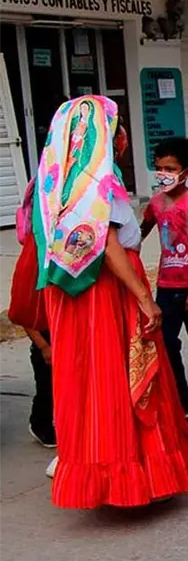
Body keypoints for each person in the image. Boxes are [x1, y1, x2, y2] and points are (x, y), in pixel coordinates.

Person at [34, 96, 188, 508]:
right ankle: (129, 474)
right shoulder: (97, 182)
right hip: (108, 292)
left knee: (93, 381)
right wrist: (145, 298)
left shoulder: (59, 184)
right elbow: (107, 244)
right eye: (119, 127)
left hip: (79, 297)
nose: (124, 136)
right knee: (119, 376)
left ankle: (100, 468)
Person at [141, 137, 188, 432]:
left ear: (186, 172)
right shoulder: (157, 202)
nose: (164, 174)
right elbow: (143, 228)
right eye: (159, 168)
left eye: (170, 168)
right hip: (166, 286)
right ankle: (182, 399)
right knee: (167, 345)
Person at [10, 182, 54, 450]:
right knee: (47, 388)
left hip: (65, 331)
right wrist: (44, 346)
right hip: (45, 337)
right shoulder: (34, 253)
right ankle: (40, 424)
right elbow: (22, 310)